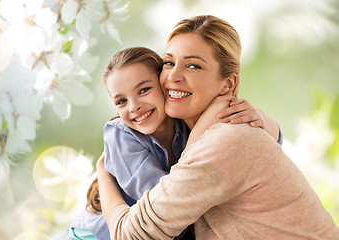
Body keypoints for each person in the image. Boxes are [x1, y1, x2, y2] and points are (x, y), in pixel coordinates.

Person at [97, 15, 339, 239]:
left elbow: (130, 234)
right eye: (169, 63)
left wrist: (103, 176)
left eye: (193, 66)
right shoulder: (202, 131)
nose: (173, 77)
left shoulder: (225, 141)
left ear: (228, 84)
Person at [68, 46, 282, 240]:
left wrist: (262, 119)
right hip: (95, 235)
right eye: (121, 101)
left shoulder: (185, 121)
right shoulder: (120, 136)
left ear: (165, 86)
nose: (134, 107)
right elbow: (167, 212)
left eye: (144, 90)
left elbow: (259, 147)